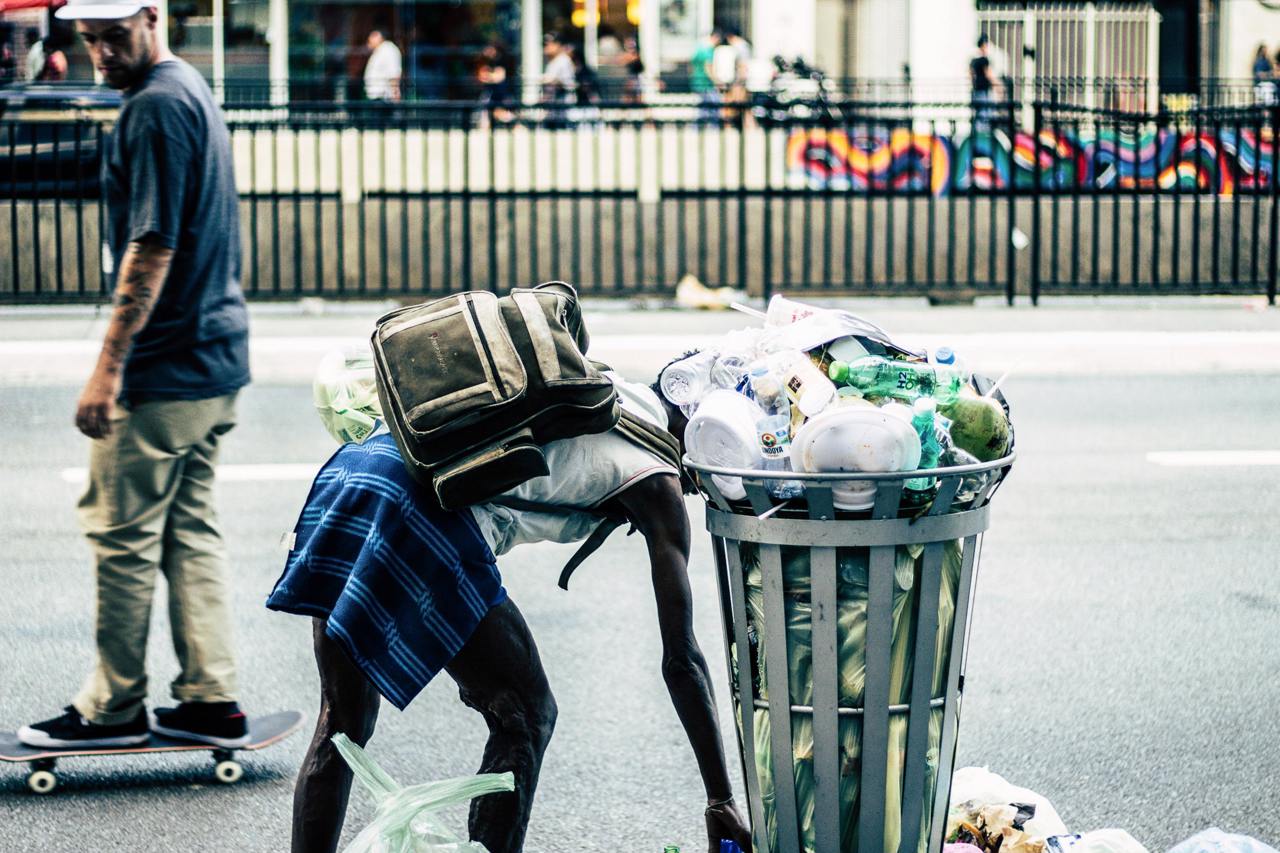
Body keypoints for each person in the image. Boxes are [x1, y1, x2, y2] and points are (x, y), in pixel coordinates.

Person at [269, 363, 754, 853]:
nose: (699, 489)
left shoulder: (601, 389)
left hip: (355, 474)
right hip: (420, 510)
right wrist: (721, 799)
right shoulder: (657, 479)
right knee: (526, 714)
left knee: (342, 721)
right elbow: (682, 661)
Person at [17, 0, 252, 751]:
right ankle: (211, 696)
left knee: (119, 534)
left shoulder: (154, 107)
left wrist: (106, 372)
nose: (102, 55)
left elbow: (152, 245)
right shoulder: (189, 87)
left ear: (153, 17)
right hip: (215, 359)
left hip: (164, 370)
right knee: (190, 531)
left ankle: (111, 706)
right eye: (89, 41)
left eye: (115, 37)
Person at [363, 28, 402, 102]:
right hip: (376, 96)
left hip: (384, 97)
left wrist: (395, 92)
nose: (369, 40)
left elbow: (394, 73)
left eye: (373, 36)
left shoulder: (388, 49)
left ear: (380, 37)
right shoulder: (380, 50)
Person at [970, 34, 996, 133]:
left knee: (978, 112)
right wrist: (997, 85)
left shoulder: (973, 60)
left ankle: (977, 133)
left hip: (976, 89)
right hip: (984, 89)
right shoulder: (984, 60)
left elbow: (970, 74)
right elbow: (988, 74)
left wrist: (974, 84)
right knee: (985, 113)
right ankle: (984, 133)